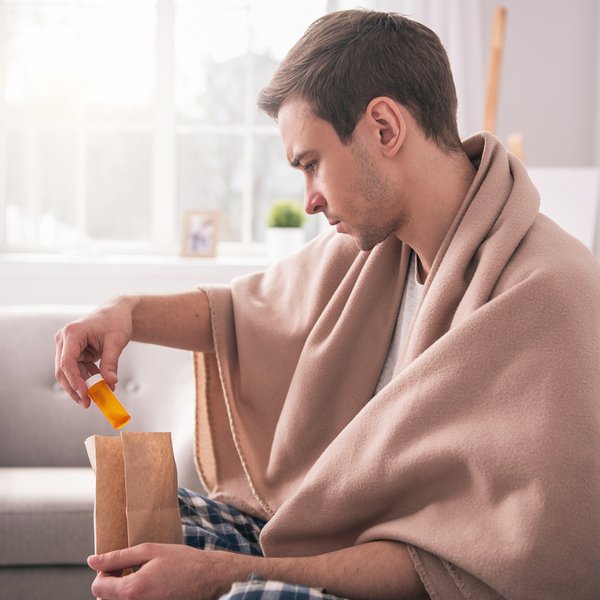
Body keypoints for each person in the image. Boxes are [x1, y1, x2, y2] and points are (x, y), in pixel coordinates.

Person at [54, 9, 600, 600]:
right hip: (335, 543)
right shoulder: (371, 252)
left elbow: (459, 566)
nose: (309, 199)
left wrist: (226, 575)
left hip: (418, 582)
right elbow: (244, 312)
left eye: (311, 163)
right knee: (148, 532)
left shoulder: (548, 296)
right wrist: (125, 311)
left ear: (385, 129)